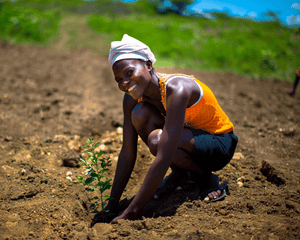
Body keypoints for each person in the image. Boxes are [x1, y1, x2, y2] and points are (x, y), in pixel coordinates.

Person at [94, 34, 238, 224]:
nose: (125, 83)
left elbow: (164, 153)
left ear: (148, 65)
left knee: (158, 141)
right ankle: (181, 174)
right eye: (118, 79)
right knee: (140, 114)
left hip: (218, 144)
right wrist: (111, 206)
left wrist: (131, 212)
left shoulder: (177, 89)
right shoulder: (131, 98)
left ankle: (206, 179)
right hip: (187, 141)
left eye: (129, 72)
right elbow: (128, 152)